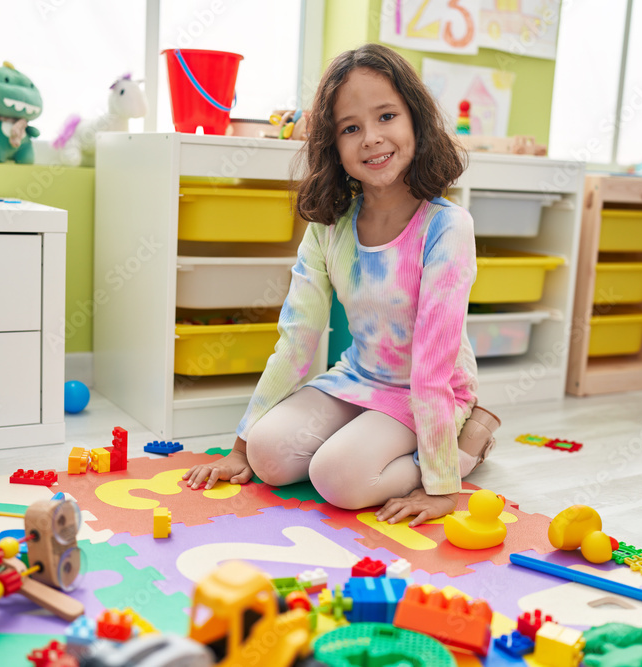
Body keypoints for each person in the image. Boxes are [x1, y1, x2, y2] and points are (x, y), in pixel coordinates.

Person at [184, 43, 500, 527]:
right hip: (358, 377)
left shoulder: (447, 227)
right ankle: (356, 440)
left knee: (339, 479)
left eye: (387, 116)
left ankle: (467, 444)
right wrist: (240, 446)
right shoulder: (330, 226)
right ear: (333, 146)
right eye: (350, 128)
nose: (371, 138)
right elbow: (297, 339)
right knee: (268, 457)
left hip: (429, 392)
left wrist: (441, 488)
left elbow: (433, 367)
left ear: (416, 119)